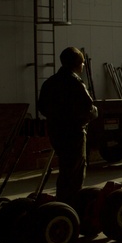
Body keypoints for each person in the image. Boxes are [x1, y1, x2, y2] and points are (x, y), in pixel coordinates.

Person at [37, 46, 99, 207]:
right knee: (75, 171)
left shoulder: (50, 82)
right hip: (74, 133)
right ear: (78, 64)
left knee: (65, 168)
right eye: (83, 63)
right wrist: (94, 113)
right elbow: (89, 108)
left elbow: (42, 107)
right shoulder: (75, 83)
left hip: (55, 131)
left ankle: (62, 202)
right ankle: (70, 206)